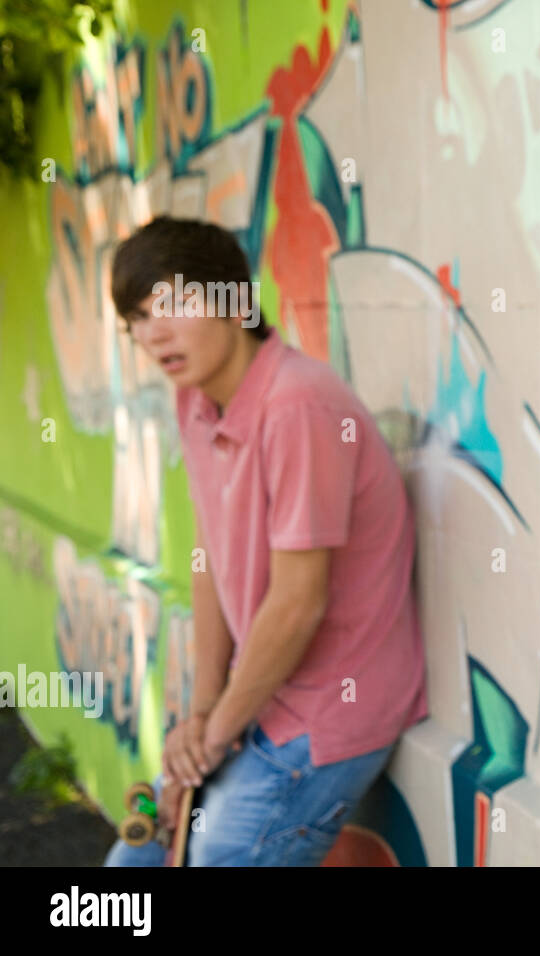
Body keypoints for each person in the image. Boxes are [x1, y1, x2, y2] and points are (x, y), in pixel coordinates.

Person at [102, 217, 428, 866]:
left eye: (173, 306)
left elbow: (298, 603)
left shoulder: (298, 405)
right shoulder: (194, 401)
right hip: (256, 696)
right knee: (130, 867)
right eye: (138, 318)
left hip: (328, 713)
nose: (152, 334)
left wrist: (214, 737)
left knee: (216, 852)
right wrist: (201, 715)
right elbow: (210, 560)